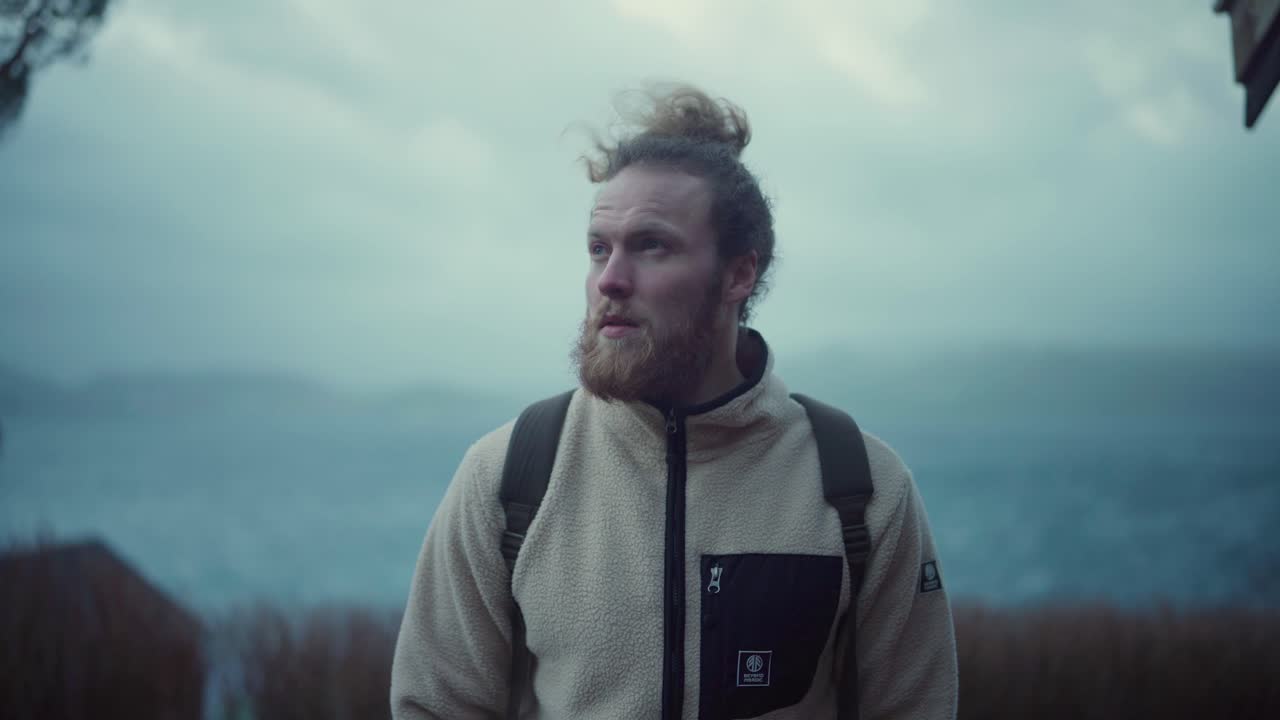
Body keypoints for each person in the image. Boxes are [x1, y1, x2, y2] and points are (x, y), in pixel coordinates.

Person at [391, 84, 958, 719]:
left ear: (738, 275)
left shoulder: (860, 487)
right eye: (599, 247)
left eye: (650, 245)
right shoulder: (507, 479)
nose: (610, 279)